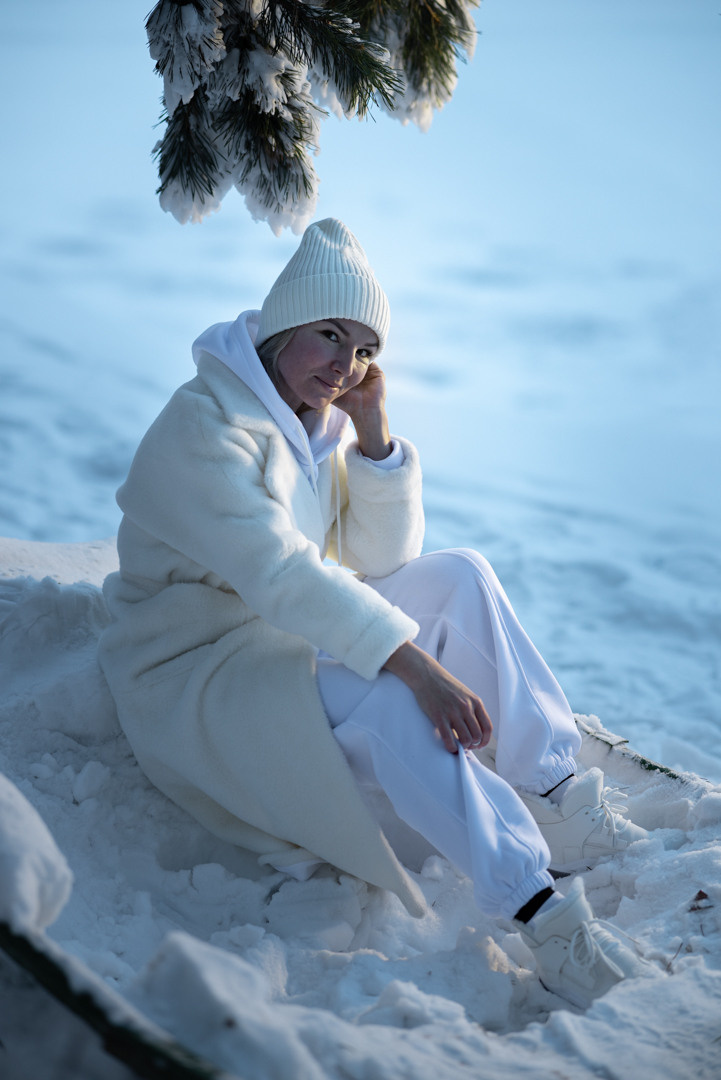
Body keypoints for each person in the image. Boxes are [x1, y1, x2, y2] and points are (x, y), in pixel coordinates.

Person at [98, 218, 651, 1010]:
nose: (343, 364)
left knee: (460, 573)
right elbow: (280, 572)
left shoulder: (310, 422)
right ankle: (539, 911)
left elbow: (378, 562)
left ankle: (555, 792)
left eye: (363, 349)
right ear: (284, 321)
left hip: (272, 635)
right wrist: (415, 666)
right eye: (328, 334)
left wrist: (372, 435)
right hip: (194, 671)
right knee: (391, 690)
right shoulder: (204, 427)